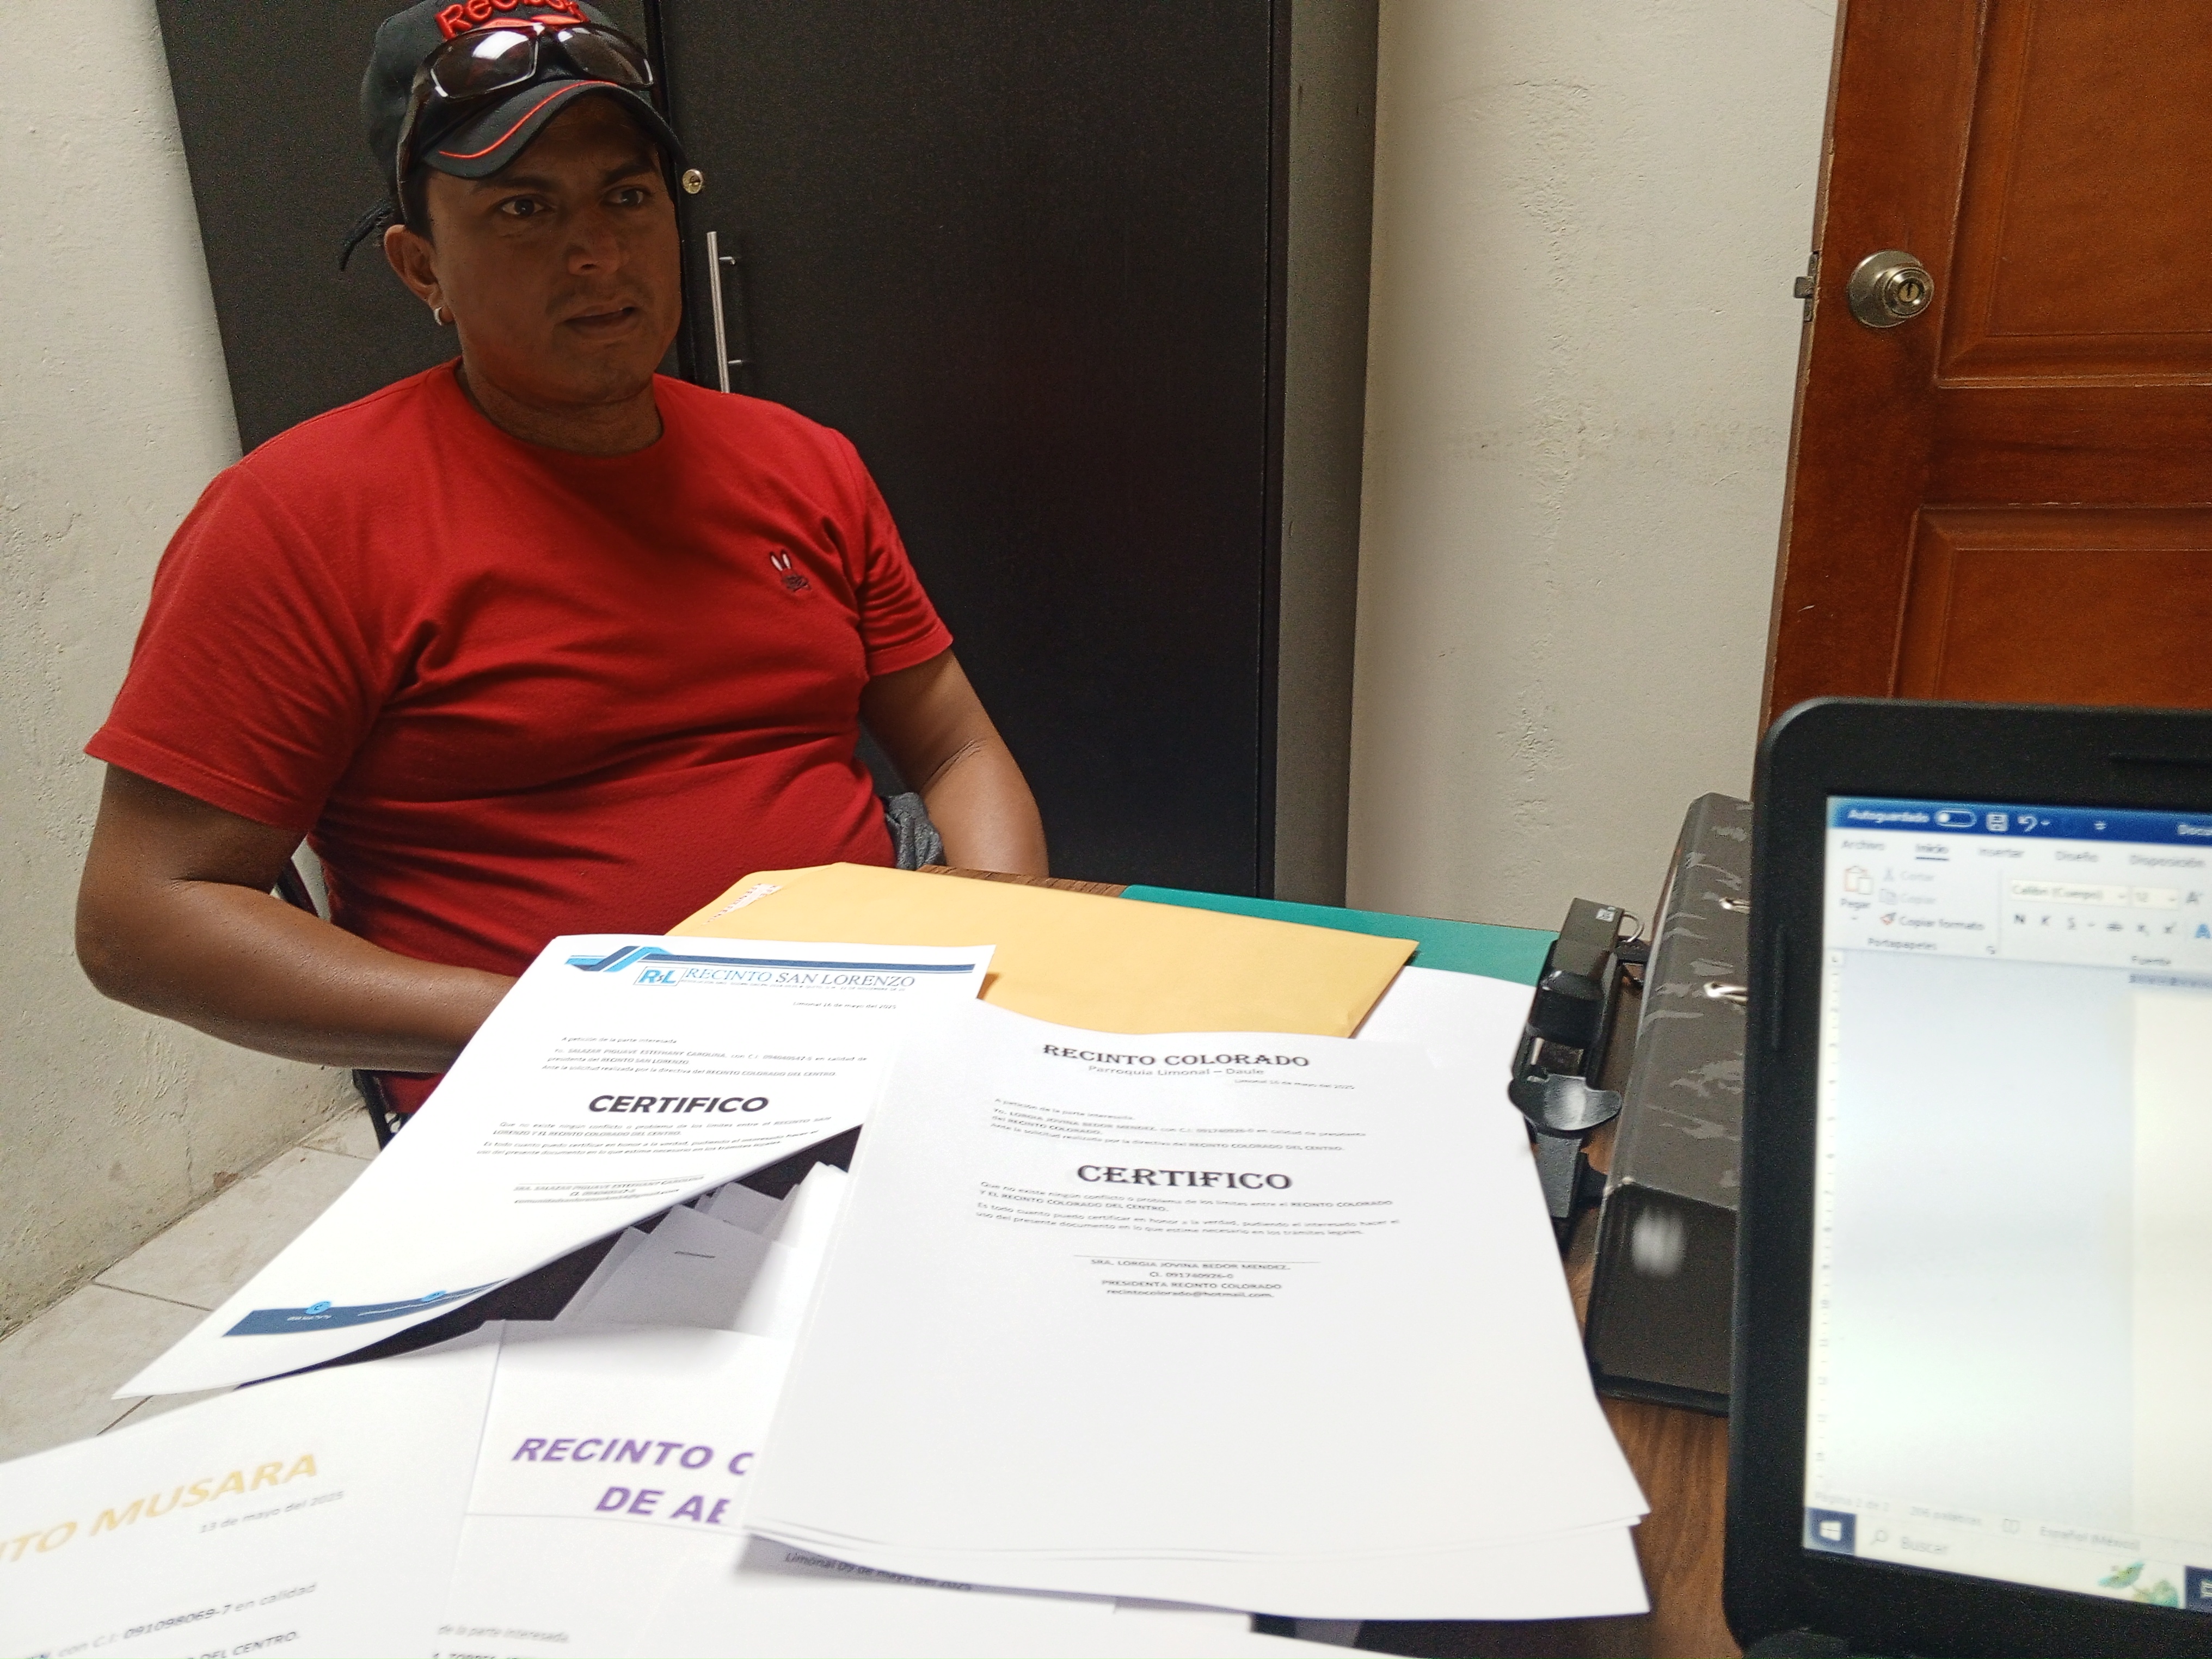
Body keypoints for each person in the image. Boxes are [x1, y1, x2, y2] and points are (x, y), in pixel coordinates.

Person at [75, 0, 1046, 1113]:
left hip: (869, 1040)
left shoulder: (803, 462)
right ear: (421, 268)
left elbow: (958, 746)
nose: (599, 255)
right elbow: (143, 916)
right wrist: (569, 1022)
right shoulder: (297, 520)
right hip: (548, 1089)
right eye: (523, 209)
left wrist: (993, 955)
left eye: (626, 197)